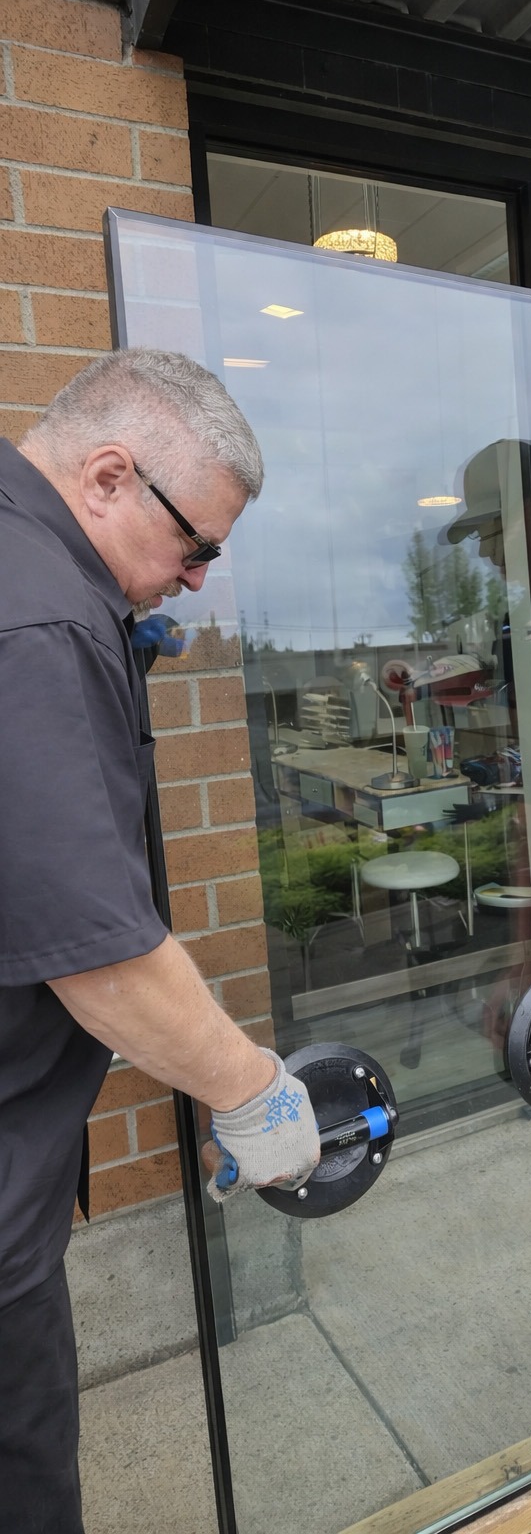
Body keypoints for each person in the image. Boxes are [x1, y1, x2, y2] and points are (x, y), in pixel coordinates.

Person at [0, 348, 321, 1534]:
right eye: (195, 547)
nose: (193, 581)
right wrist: (250, 1093)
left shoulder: (34, 577)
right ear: (107, 476)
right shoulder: (35, 624)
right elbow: (97, 952)